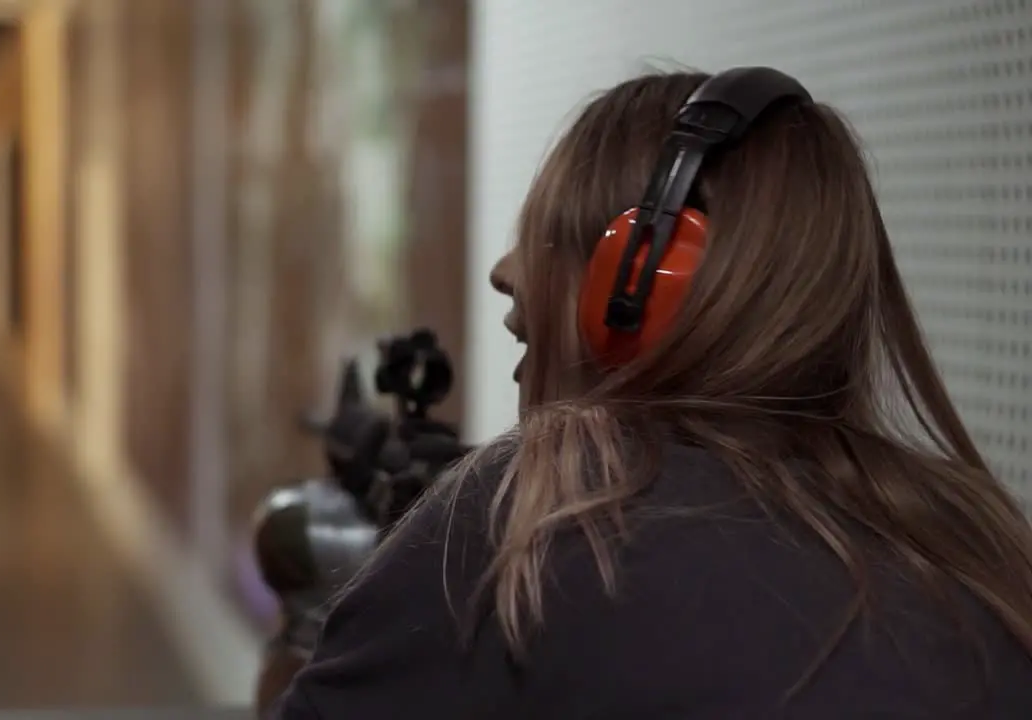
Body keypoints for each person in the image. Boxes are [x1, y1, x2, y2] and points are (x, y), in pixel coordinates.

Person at [266, 68, 1032, 718]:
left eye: (548, 233)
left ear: (636, 285)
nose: (505, 269)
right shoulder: (972, 538)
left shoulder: (523, 526)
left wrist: (317, 609)